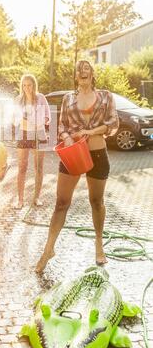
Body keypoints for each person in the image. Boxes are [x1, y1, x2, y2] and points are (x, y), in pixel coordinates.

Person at [36, 60, 119, 272]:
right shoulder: (68, 98)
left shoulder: (105, 96)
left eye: (87, 69)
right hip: (72, 154)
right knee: (61, 202)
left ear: (92, 74)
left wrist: (89, 133)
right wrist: (67, 137)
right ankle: (48, 248)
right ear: (76, 76)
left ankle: (99, 243)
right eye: (79, 70)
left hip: (97, 154)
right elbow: (61, 124)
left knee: (96, 201)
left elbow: (113, 123)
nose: (83, 72)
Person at [13, 74, 51, 209]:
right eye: (24, 85)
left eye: (29, 85)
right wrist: (21, 120)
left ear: (34, 85)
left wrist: (40, 123)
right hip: (23, 134)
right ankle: (20, 200)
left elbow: (48, 116)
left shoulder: (41, 98)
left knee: (38, 168)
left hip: (39, 134)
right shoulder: (18, 100)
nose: (27, 88)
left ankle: (36, 198)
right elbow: (14, 119)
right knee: (22, 168)